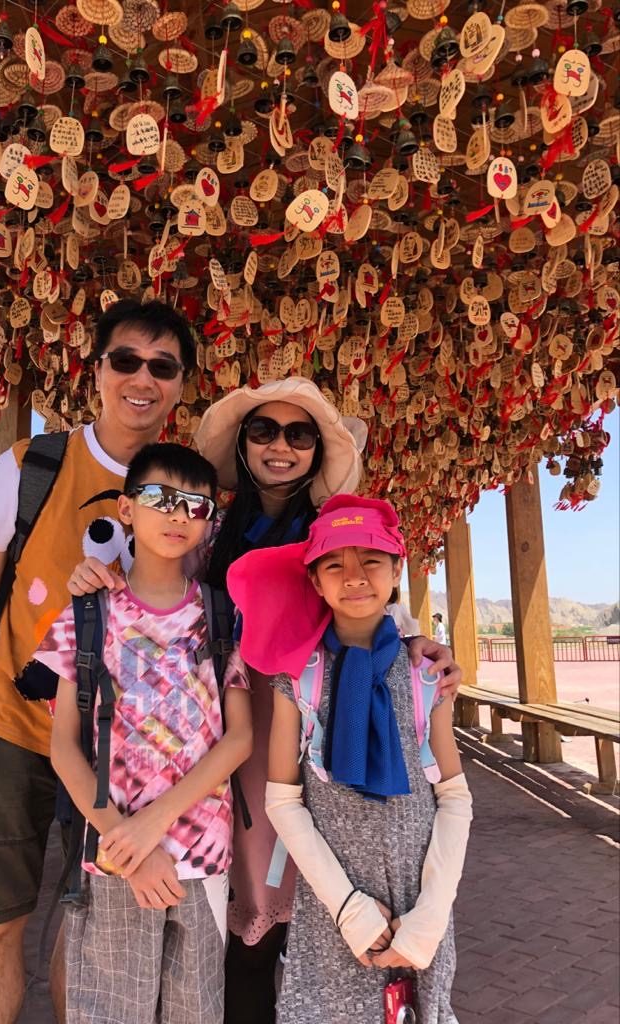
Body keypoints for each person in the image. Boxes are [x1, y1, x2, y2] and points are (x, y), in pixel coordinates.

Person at [68, 378, 463, 1024]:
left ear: (316, 450)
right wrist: (96, 578)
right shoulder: (207, 531)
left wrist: (420, 643)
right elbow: (156, 585)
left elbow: (377, 611)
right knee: (243, 916)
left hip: (315, 726)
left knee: (316, 899)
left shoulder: (333, 531)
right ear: (244, 445)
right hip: (222, 735)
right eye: (263, 431)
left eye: (299, 434)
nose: (281, 446)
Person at [0, 299, 197, 1024]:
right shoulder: (30, 466)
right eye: (126, 360)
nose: (142, 379)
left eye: (163, 367)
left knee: (87, 930)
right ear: (97, 371)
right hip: (11, 727)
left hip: (117, 749)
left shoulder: (185, 493)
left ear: (179, 386)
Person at [227, 495, 473, 1024]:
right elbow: (283, 800)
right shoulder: (299, 678)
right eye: (334, 564)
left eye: (372, 561)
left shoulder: (425, 673)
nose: (355, 576)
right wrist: (347, 907)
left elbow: (453, 796)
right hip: (333, 908)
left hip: (418, 901)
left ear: (396, 571)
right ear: (314, 581)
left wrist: (431, 914)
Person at [35, 443, 252, 1023]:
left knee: (196, 1013)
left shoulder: (223, 616)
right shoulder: (86, 615)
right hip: (114, 855)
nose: (178, 515)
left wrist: (153, 825)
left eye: (196, 505)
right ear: (127, 509)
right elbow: (63, 747)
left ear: (208, 523)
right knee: (113, 1012)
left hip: (203, 856)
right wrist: (126, 841)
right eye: (160, 498)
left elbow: (239, 738)